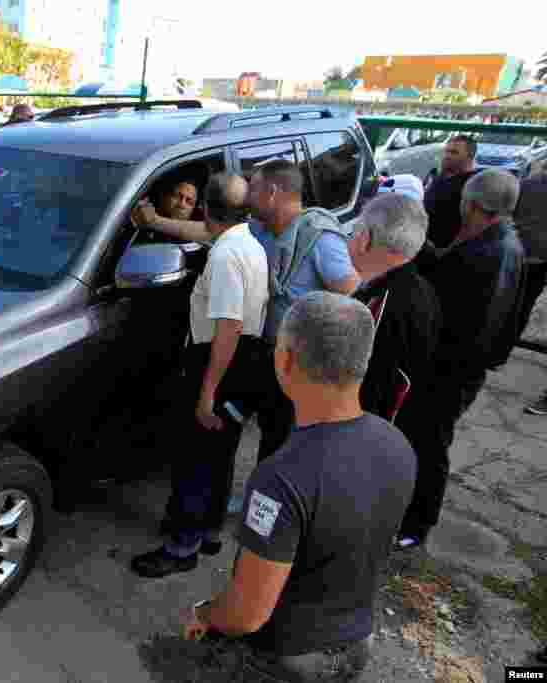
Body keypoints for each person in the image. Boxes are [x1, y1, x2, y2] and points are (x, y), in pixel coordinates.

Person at [181, 292, 416, 683]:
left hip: (285, 660)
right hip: (357, 642)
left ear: (285, 360)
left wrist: (204, 613)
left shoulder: (281, 479)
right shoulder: (396, 444)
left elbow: (246, 615)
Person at [129, 174, 269, 577]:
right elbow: (197, 231)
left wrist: (207, 391)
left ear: (207, 210)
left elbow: (228, 326)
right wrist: (155, 220)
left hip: (219, 360)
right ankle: (207, 532)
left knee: (195, 461)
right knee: (219, 454)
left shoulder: (225, 256)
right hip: (244, 363)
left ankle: (180, 548)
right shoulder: (247, 242)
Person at [395, 169, 525, 548]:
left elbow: (452, 306)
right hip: (463, 369)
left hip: (449, 371)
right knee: (427, 440)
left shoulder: (485, 253)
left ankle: (415, 525)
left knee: (428, 443)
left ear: (474, 206)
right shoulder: (504, 243)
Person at [248, 159, 361, 463]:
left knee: (293, 443)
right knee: (272, 431)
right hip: (274, 355)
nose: (248, 195)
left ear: (271, 192)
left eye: (253, 188)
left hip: (304, 363)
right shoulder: (261, 229)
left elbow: (353, 297)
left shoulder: (320, 239)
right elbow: (212, 231)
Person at [349, 192, 441, 425]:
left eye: (352, 232)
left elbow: (367, 388)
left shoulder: (378, 307)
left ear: (364, 239)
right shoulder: (422, 288)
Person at [513, 166, 547, 415]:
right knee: (520, 303)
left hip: (531, 256)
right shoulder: (530, 186)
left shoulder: (528, 185)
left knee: (520, 303)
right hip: (533, 257)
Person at [422, 135, 479, 251]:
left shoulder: (471, 185)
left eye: (454, 152)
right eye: (446, 151)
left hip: (443, 250)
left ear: (470, 157)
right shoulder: (440, 177)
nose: (447, 156)